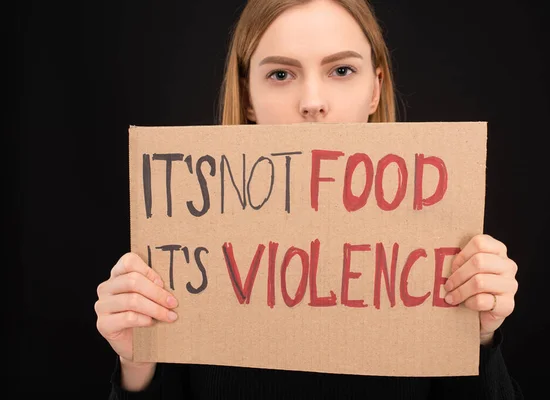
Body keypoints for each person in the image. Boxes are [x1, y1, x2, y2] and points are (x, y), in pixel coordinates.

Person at [95, 0, 523, 398]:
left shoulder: (441, 250)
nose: (313, 103)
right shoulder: (186, 249)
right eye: (281, 74)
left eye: (341, 71)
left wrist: (479, 337)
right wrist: (138, 364)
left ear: (375, 89)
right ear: (247, 96)